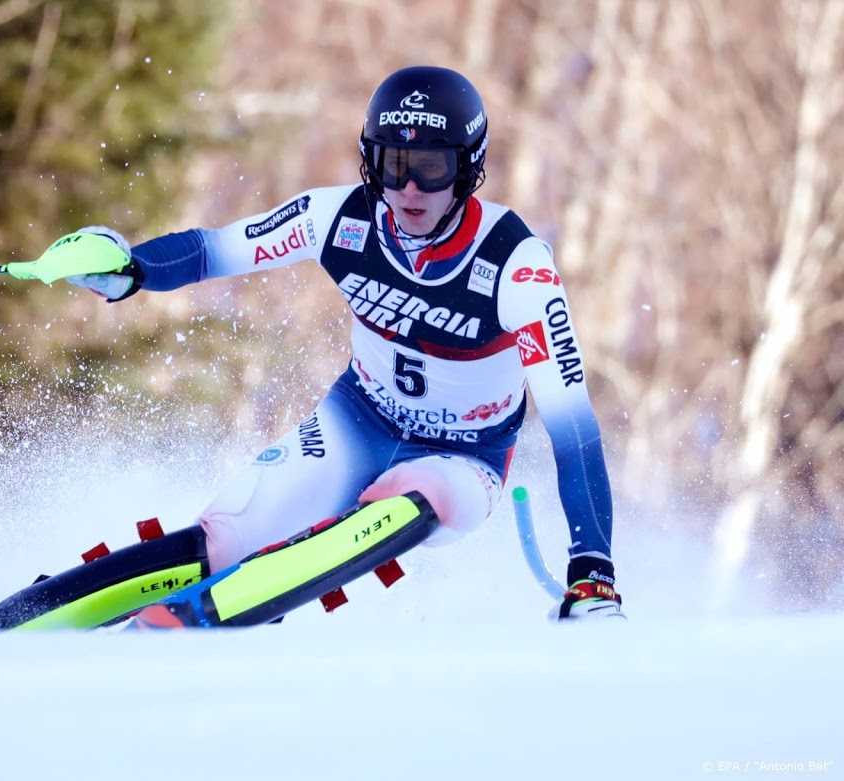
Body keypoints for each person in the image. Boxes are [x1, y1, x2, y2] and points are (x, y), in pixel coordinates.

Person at [45, 65, 623, 626]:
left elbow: (573, 430)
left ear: (468, 168)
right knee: (227, 536)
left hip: (463, 457)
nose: (410, 189)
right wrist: (131, 268)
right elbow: (214, 251)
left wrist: (592, 571)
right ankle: (7, 618)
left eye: (431, 167)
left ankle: (202, 617)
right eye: (392, 166)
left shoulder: (516, 265)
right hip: (358, 420)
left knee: (413, 494)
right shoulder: (337, 217)